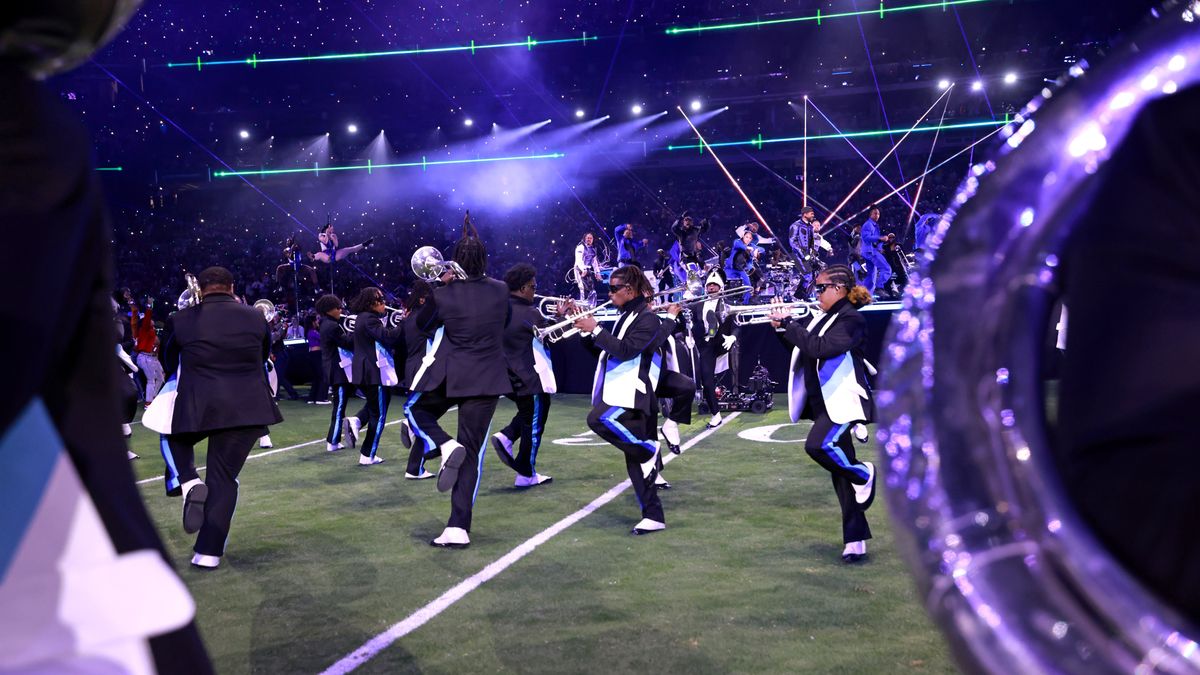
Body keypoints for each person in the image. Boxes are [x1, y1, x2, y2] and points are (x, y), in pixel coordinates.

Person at [1, 47, 212, 671]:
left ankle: (175, 473)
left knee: (149, 407)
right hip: (51, 544)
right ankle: (174, 474)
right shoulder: (27, 127)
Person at [160, 266, 284, 569]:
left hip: (198, 405)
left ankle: (187, 482)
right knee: (223, 478)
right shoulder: (256, 316)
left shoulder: (182, 318)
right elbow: (263, 355)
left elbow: (167, 360)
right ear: (232, 286)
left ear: (200, 288)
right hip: (248, 408)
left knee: (169, 435)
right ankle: (208, 553)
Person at [409, 227, 512, 548]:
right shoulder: (501, 289)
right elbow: (505, 323)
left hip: (454, 376)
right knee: (473, 453)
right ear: (485, 260)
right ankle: (458, 526)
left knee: (415, 410)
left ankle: (442, 444)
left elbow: (422, 326)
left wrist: (442, 285)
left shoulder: (443, 293)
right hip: (490, 379)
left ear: (455, 261)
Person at [770, 265, 876, 563]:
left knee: (819, 446)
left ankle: (864, 473)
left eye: (820, 288)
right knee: (840, 474)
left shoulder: (851, 319)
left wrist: (791, 325)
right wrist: (781, 329)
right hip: (824, 404)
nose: (815, 293)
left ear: (839, 288)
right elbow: (803, 350)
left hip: (843, 402)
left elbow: (821, 349)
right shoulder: (825, 317)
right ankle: (855, 540)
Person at [574, 266, 680, 535]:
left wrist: (596, 329)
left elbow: (626, 351)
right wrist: (586, 332)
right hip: (621, 389)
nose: (609, 294)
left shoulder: (648, 319)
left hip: (635, 393)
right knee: (634, 463)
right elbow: (605, 351)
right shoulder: (627, 315)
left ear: (629, 290)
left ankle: (647, 450)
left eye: (613, 289)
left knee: (598, 419)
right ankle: (653, 515)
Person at [492, 263, 560, 487]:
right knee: (535, 424)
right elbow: (552, 336)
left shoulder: (500, 309)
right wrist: (563, 315)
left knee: (529, 414)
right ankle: (526, 473)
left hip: (508, 375)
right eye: (533, 286)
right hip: (530, 376)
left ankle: (507, 437)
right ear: (522, 288)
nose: (535, 291)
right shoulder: (529, 312)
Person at [349, 286, 403, 466]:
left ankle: (356, 421)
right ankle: (367, 454)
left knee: (377, 407)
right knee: (378, 415)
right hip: (374, 372)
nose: (384, 304)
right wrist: (403, 323)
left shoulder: (363, 318)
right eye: (381, 301)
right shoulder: (370, 320)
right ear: (372, 303)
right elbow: (388, 337)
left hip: (368, 372)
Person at [315, 294, 366, 453]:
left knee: (340, 406)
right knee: (339, 408)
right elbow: (347, 343)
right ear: (329, 310)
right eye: (338, 308)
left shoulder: (327, 324)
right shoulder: (331, 326)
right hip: (338, 372)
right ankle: (333, 441)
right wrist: (357, 330)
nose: (341, 310)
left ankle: (334, 439)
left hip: (337, 371)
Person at [692, 270, 737, 428]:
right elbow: (690, 319)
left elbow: (737, 323)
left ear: (721, 287)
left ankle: (714, 327)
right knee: (707, 380)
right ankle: (715, 414)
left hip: (722, 342)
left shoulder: (727, 303)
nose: (711, 287)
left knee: (717, 331)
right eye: (709, 285)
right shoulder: (698, 304)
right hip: (705, 345)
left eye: (714, 285)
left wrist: (733, 337)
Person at [129, 294, 164, 405]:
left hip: (153, 358)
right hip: (145, 357)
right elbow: (147, 317)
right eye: (149, 320)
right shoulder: (144, 330)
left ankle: (153, 397)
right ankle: (148, 403)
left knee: (160, 378)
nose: (151, 320)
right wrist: (149, 305)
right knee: (151, 380)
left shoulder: (152, 331)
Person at [860, 205, 892, 296]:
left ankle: (865, 296)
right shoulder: (868, 224)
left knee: (871, 275)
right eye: (875, 213)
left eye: (878, 214)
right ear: (870, 215)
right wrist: (881, 238)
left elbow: (875, 241)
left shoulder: (874, 225)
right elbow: (866, 238)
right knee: (886, 269)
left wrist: (880, 248)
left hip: (870, 251)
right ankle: (879, 286)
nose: (877, 215)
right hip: (870, 252)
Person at [724, 229, 760, 303]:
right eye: (746, 237)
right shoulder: (737, 241)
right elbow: (741, 246)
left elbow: (758, 251)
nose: (748, 239)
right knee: (725, 285)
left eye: (750, 238)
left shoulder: (751, 246)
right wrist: (748, 248)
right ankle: (724, 302)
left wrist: (756, 250)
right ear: (743, 236)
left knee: (748, 286)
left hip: (740, 270)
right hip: (730, 269)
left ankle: (745, 303)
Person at [304, 313, 329, 404]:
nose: (318, 321)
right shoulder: (312, 332)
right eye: (316, 320)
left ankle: (312, 397)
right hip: (316, 354)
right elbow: (323, 338)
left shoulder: (311, 331)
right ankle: (320, 398)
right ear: (313, 322)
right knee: (321, 375)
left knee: (316, 377)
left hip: (315, 354)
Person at [573, 232, 603, 304]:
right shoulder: (580, 247)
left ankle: (589, 306)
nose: (589, 239)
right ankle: (582, 305)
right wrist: (583, 269)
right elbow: (579, 260)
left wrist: (597, 272)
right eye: (588, 238)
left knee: (590, 288)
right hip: (579, 269)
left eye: (591, 238)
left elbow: (594, 262)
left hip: (587, 270)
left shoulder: (593, 249)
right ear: (584, 239)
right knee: (582, 288)